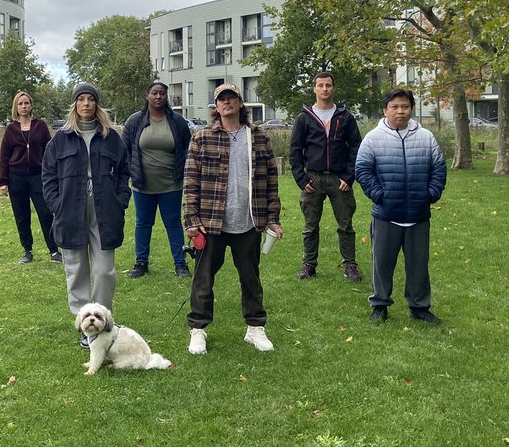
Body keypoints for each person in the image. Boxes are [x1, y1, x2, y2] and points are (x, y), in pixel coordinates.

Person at [183, 83, 281, 355]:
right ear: (216, 107)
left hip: (248, 221)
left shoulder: (258, 137)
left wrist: (272, 217)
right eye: (221, 99)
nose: (226, 103)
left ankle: (255, 327)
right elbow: (190, 181)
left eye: (231, 98)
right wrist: (191, 219)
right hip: (211, 223)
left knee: (251, 278)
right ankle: (198, 329)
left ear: (240, 103)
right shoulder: (202, 137)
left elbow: (271, 180)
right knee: (203, 280)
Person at [41, 83, 129, 348]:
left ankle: (102, 319)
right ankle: (85, 325)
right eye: (81, 99)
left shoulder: (111, 138)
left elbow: (124, 172)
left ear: (97, 105)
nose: (86, 104)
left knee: (104, 271)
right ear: (75, 105)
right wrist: (57, 205)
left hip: (105, 210)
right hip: (70, 210)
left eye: (91, 99)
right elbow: (48, 176)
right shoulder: (60, 139)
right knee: (76, 270)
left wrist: (120, 201)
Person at [355, 88, 447, 325]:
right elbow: (363, 170)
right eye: (394, 107)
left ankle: (419, 307)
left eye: (405, 106)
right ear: (385, 110)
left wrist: (430, 194)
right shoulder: (373, 138)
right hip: (386, 213)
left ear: (411, 109)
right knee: (382, 263)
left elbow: (438, 168)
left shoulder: (426, 137)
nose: (400, 111)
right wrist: (379, 195)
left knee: (418, 264)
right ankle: (380, 305)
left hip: (418, 213)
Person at [289, 72, 363, 282]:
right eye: (320, 85)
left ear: (333, 88)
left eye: (328, 85)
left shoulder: (345, 117)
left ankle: (350, 265)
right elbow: (295, 151)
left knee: (346, 225)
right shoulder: (304, 118)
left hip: (340, 180)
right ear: (314, 89)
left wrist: (349, 177)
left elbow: (356, 147)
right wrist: (301, 179)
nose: (324, 89)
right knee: (310, 226)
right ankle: (309, 265)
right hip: (313, 180)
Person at [122, 81, 192, 278]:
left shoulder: (177, 122)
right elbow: (123, 149)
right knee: (143, 223)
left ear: (166, 97)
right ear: (147, 96)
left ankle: (180, 264)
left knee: (173, 223)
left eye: (162, 93)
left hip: (171, 184)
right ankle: (141, 264)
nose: (158, 97)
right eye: (154, 93)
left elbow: (189, 149)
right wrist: (131, 171)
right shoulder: (135, 121)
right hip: (142, 184)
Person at [0, 91, 60, 264]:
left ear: (31, 106)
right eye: (20, 104)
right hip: (16, 177)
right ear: (16, 107)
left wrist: (53, 174)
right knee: (22, 215)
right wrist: (3, 181)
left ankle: (54, 250)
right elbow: (4, 156)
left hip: (38, 177)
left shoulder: (41, 126)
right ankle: (27, 251)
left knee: (46, 213)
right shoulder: (11, 130)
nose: (23, 106)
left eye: (26, 103)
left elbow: (50, 151)